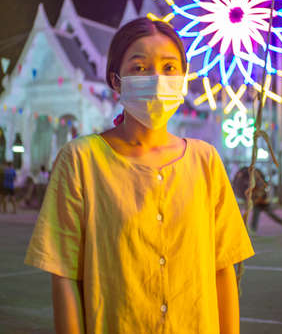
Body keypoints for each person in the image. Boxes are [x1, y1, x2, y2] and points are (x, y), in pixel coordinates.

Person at [24, 17, 254, 334]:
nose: (157, 79)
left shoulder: (206, 161)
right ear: (116, 80)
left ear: (184, 79)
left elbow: (222, 271)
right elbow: (64, 277)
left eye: (170, 68)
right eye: (140, 67)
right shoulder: (80, 161)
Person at [243, 166, 282, 234]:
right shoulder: (252, 182)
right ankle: (253, 229)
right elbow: (252, 192)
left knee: (271, 214)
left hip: (264, 202)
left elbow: (266, 191)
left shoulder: (263, 182)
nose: (254, 175)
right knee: (255, 215)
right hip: (257, 203)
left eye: (256, 173)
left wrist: (262, 198)